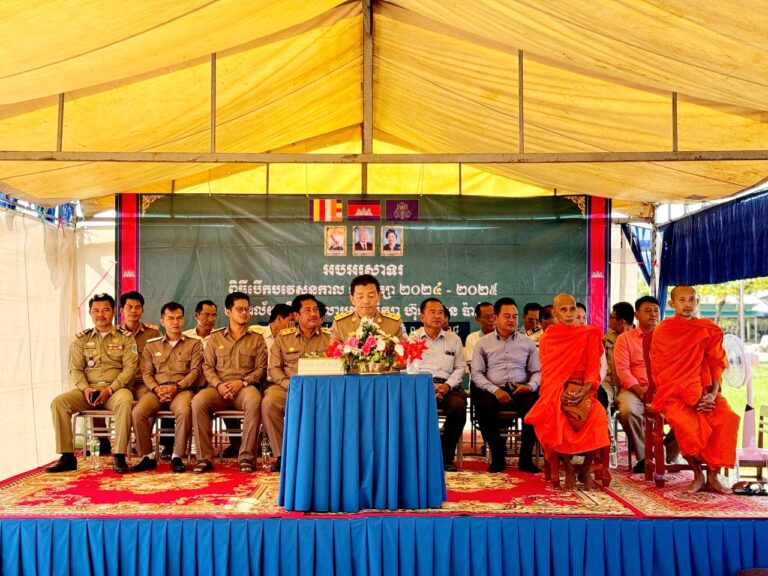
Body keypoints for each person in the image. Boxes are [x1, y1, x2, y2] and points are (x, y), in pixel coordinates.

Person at [650, 285, 740, 493]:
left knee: (727, 419)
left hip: (706, 393)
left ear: (697, 302)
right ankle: (698, 475)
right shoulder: (664, 331)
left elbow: (717, 365)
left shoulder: (707, 329)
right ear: (672, 303)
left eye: (692, 299)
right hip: (674, 394)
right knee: (687, 424)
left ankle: (713, 476)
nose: (687, 304)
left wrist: (712, 394)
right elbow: (661, 371)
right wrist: (690, 395)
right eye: (682, 300)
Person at [525, 293, 609, 490]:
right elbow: (548, 373)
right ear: (555, 313)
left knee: (598, 415)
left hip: (585, 390)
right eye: (564, 310)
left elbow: (593, 368)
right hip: (557, 391)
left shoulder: (589, 334)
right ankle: (568, 467)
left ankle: (586, 468)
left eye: (572, 309)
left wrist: (585, 390)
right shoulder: (548, 338)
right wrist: (559, 393)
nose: (569, 313)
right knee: (556, 415)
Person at [46, 294, 137, 473]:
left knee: (125, 401)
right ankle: (67, 456)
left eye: (105, 310)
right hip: (88, 390)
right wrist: (85, 388)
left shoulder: (126, 338)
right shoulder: (82, 339)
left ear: (113, 312)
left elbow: (130, 369)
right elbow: (75, 369)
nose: (100, 314)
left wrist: (110, 389)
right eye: (96, 310)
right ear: (90, 313)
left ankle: (119, 455)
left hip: (115, 390)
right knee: (59, 402)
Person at [191, 292, 267, 473]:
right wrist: (219, 385)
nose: (244, 313)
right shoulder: (215, 337)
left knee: (254, 401)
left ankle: (247, 457)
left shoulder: (256, 338)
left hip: (244, 388)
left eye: (247, 309)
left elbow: (261, 369)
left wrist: (242, 382)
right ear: (228, 312)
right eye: (239, 309)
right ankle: (204, 458)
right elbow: (207, 367)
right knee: (198, 402)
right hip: (218, 388)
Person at [130, 302, 202, 473]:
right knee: (138, 412)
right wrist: (156, 389)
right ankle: (147, 456)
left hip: (181, 390)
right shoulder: (152, 345)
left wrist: (177, 387)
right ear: (162, 321)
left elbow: (195, 371)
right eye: (170, 318)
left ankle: (177, 456)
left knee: (184, 411)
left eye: (179, 318)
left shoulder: (194, 344)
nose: (175, 322)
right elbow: (146, 373)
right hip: (157, 391)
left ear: (184, 320)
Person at [472, 297, 541, 473]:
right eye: (507, 316)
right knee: (483, 408)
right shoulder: (483, 343)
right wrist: (495, 390)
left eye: (514, 316)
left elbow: (536, 371)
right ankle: (498, 457)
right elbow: (477, 374)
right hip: (493, 390)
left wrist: (530, 386)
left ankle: (525, 459)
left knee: (536, 408)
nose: (511, 320)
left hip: (521, 388)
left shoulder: (527, 342)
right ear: (496, 317)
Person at [263, 295, 332, 471]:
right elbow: (274, 368)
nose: (313, 314)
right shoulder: (283, 338)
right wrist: (289, 384)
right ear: (296, 315)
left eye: (315, 309)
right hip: (289, 387)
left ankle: (326, 454)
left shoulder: (330, 338)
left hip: (322, 389)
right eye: (307, 310)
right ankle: (281, 455)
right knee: (269, 403)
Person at [614, 296, 678, 473]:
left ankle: (668, 457)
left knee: (688, 409)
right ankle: (645, 457)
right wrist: (643, 393)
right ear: (637, 315)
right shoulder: (625, 339)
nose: (653, 314)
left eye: (656, 310)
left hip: (665, 389)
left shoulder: (670, 338)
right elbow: (623, 370)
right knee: (627, 409)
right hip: (635, 390)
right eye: (647, 310)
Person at [413, 298, 468, 471]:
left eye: (440, 313)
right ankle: (417, 457)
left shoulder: (454, 339)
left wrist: (446, 386)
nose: (437, 316)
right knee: (409, 409)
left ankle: (446, 458)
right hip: (420, 388)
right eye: (432, 312)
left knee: (458, 406)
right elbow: (408, 368)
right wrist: (428, 387)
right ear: (422, 316)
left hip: (447, 388)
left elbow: (460, 367)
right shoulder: (412, 339)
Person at [331, 274, 404, 341]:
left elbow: (404, 348)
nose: (366, 301)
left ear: (379, 296)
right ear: (352, 299)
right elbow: (333, 350)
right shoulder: (340, 324)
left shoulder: (394, 323)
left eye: (371, 296)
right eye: (360, 297)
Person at [597, 301, 634, 408]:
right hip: (608, 381)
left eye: (611, 317)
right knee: (600, 397)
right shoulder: (608, 337)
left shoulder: (637, 338)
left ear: (621, 321)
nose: (609, 320)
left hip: (630, 384)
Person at [249, 303, 294, 380]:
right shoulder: (257, 333)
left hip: (282, 380)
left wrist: (289, 337)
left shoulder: (292, 338)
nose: (293, 324)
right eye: (291, 320)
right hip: (260, 380)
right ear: (279, 318)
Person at [464, 302, 495, 368]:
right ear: (477, 319)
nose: (491, 319)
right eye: (486, 317)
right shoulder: (472, 338)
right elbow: (472, 367)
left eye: (493, 315)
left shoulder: (504, 337)